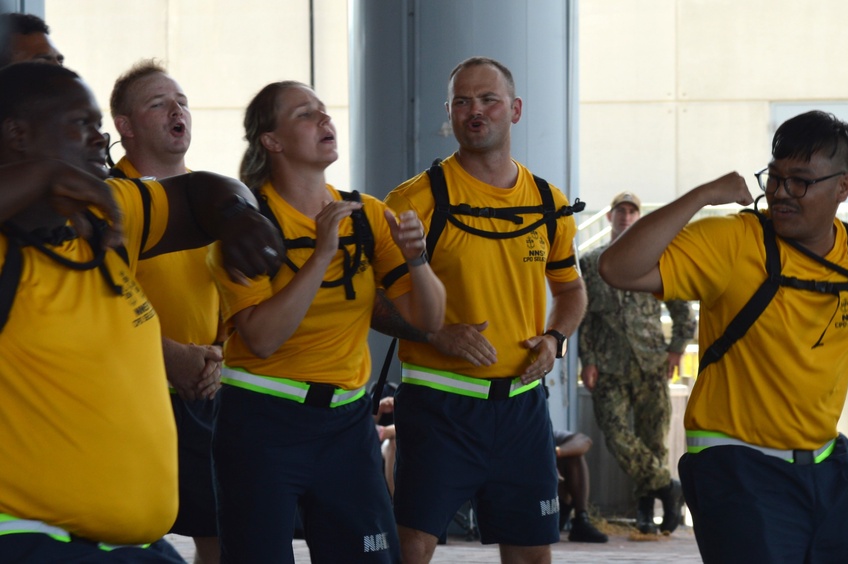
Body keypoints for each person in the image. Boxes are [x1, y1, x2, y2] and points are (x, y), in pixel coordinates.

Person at [599, 110, 848, 563]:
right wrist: (701, 196)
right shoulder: (734, 241)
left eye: (800, 181)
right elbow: (617, 268)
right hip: (734, 462)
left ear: (842, 188)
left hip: (826, 463)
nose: (780, 194)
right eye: (774, 178)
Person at [0, 62, 282, 563]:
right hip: (34, 542)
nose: (98, 138)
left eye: (97, 126)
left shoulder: (104, 217)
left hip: (132, 546)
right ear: (18, 135)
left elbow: (200, 192)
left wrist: (238, 214)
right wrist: (45, 175)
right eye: (79, 125)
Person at [209, 80, 444, 564]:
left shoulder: (369, 215)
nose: (325, 120)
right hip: (262, 419)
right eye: (305, 114)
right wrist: (322, 255)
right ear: (271, 141)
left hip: (346, 425)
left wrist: (417, 260)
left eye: (324, 111)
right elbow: (263, 337)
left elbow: (430, 318)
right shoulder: (246, 224)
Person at [385, 56, 588, 564]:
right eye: (462, 102)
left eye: (488, 99)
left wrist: (555, 339)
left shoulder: (547, 201)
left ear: (514, 110)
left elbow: (571, 291)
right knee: (411, 550)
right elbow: (373, 304)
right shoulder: (414, 201)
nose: (475, 111)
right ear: (448, 114)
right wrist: (437, 334)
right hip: (439, 405)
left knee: (531, 555)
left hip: (522, 408)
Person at [109, 59, 222, 564]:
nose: (177, 110)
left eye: (181, 101)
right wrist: (169, 356)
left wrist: (218, 354)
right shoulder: (105, 202)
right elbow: (96, 306)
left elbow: (239, 292)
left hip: (208, 389)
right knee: (126, 533)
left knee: (220, 535)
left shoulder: (215, 196)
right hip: (128, 397)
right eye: (158, 103)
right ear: (125, 127)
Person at [578, 191, 694, 535]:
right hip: (609, 366)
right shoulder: (590, 262)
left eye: (632, 211)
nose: (626, 216)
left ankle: (647, 511)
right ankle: (667, 486)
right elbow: (584, 317)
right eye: (620, 211)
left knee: (653, 439)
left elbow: (680, 304)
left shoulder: (656, 256)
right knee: (616, 435)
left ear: (639, 218)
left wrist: (677, 348)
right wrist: (588, 359)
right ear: (610, 217)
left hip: (650, 362)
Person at [553, 430, 608, 543]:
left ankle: (581, 519)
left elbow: (584, 440)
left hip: (552, 510)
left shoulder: (543, 430)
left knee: (574, 455)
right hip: (529, 511)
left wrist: (554, 453)